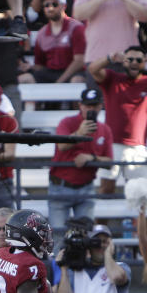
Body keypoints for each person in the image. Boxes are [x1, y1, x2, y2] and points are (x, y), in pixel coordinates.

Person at [88, 46, 147, 183]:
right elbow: (92, 69)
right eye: (130, 59)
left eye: (139, 59)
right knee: (106, 187)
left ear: (144, 62)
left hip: (138, 146)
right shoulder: (112, 78)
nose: (134, 62)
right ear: (123, 61)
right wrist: (110, 57)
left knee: (137, 192)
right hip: (112, 143)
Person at [48, 88, 113, 233]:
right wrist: (79, 134)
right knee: (58, 236)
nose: (91, 110)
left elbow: (109, 162)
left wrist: (92, 158)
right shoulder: (67, 122)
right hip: (60, 186)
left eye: (95, 106)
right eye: (88, 106)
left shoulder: (104, 129)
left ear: (100, 107)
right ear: (80, 106)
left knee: (86, 235)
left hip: (86, 188)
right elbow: (62, 145)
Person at [19, 0, 86, 84]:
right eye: (46, 5)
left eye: (54, 4)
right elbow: (40, 65)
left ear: (64, 6)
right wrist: (30, 67)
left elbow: (79, 61)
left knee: (77, 80)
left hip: (73, 72)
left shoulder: (76, 28)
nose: (50, 8)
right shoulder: (42, 33)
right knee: (23, 79)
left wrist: (60, 81)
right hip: (50, 73)